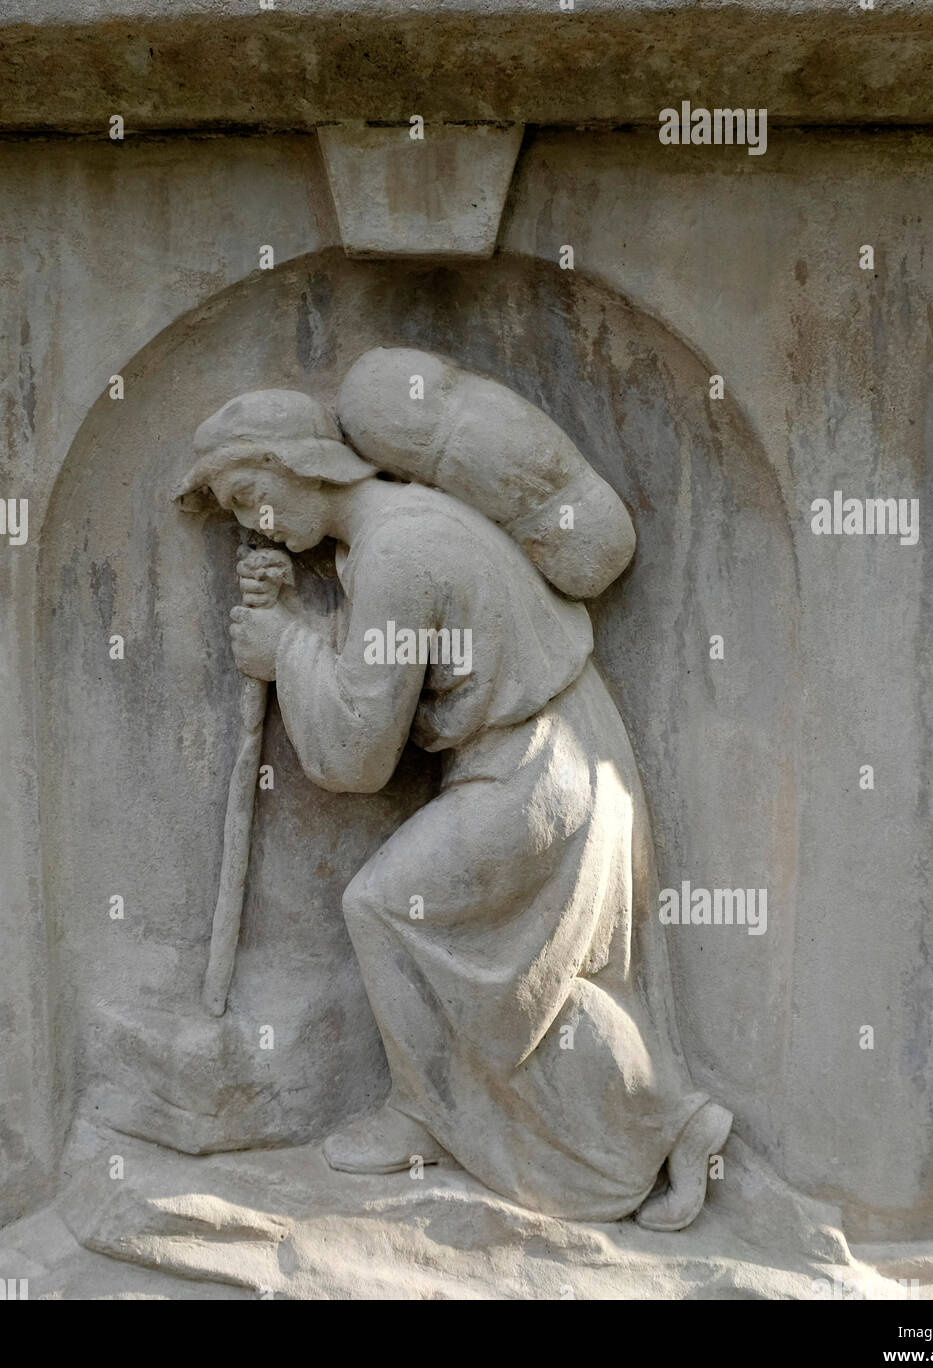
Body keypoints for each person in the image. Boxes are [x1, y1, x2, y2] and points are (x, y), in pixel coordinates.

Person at [177, 387, 731, 1227]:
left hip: (535, 771)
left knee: (386, 907)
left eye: (250, 495)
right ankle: (678, 1123)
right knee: (535, 985)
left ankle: (426, 1113)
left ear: (297, 466)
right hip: (554, 755)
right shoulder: (397, 529)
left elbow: (359, 754)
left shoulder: (398, 554)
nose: (254, 523)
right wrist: (300, 619)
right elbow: (386, 670)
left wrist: (285, 646)